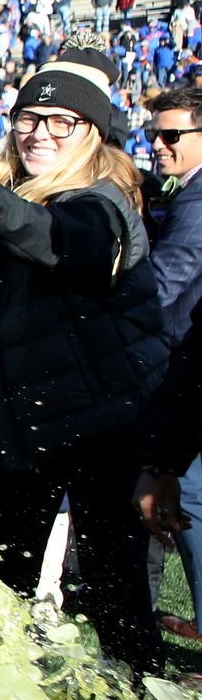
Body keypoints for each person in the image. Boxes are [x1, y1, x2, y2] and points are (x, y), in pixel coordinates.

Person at [0, 37, 169, 676]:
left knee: (115, 588)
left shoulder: (102, 198)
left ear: (92, 131)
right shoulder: (24, 193)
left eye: (63, 121)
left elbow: (58, 246)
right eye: (30, 118)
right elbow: (7, 270)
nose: (41, 132)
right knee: (2, 577)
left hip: (100, 422)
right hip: (23, 414)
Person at [143, 85, 202, 639]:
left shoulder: (199, 197)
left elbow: (166, 282)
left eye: (171, 135)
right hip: (184, 360)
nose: (159, 145)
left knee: (191, 502)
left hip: (186, 364)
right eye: (153, 134)